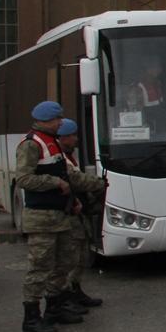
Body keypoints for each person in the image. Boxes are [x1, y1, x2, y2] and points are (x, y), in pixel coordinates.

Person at [17, 101, 103, 332]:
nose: (60, 123)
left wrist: (72, 200)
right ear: (45, 121)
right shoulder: (31, 144)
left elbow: (64, 174)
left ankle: (55, 309)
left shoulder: (52, 142)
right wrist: (56, 183)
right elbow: (24, 179)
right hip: (41, 217)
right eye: (57, 119)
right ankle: (31, 319)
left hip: (60, 214)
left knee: (65, 262)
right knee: (39, 267)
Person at [57, 119, 106, 308]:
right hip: (69, 214)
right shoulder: (60, 157)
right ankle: (67, 295)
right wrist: (98, 183)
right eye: (72, 136)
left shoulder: (70, 155)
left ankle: (75, 290)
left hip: (79, 211)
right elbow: (76, 180)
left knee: (81, 254)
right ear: (63, 138)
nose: (76, 139)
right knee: (72, 255)